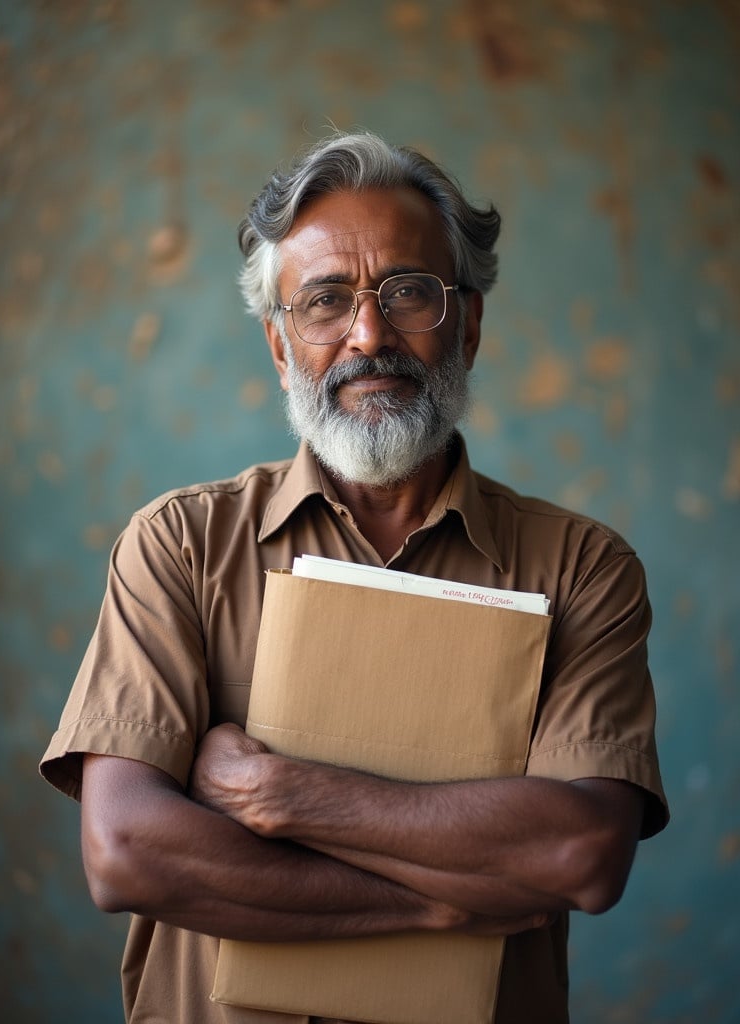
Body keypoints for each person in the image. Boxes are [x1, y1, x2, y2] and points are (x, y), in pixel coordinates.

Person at [40, 131, 668, 1024]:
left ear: (471, 323)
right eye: (325, 301)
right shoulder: (180, 545)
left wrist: (276, 795)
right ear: (278, 345)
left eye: (409, 292)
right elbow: (127, 854)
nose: (368, 335)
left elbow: (579, 858)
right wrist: (441, 900)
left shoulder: (584, 568)